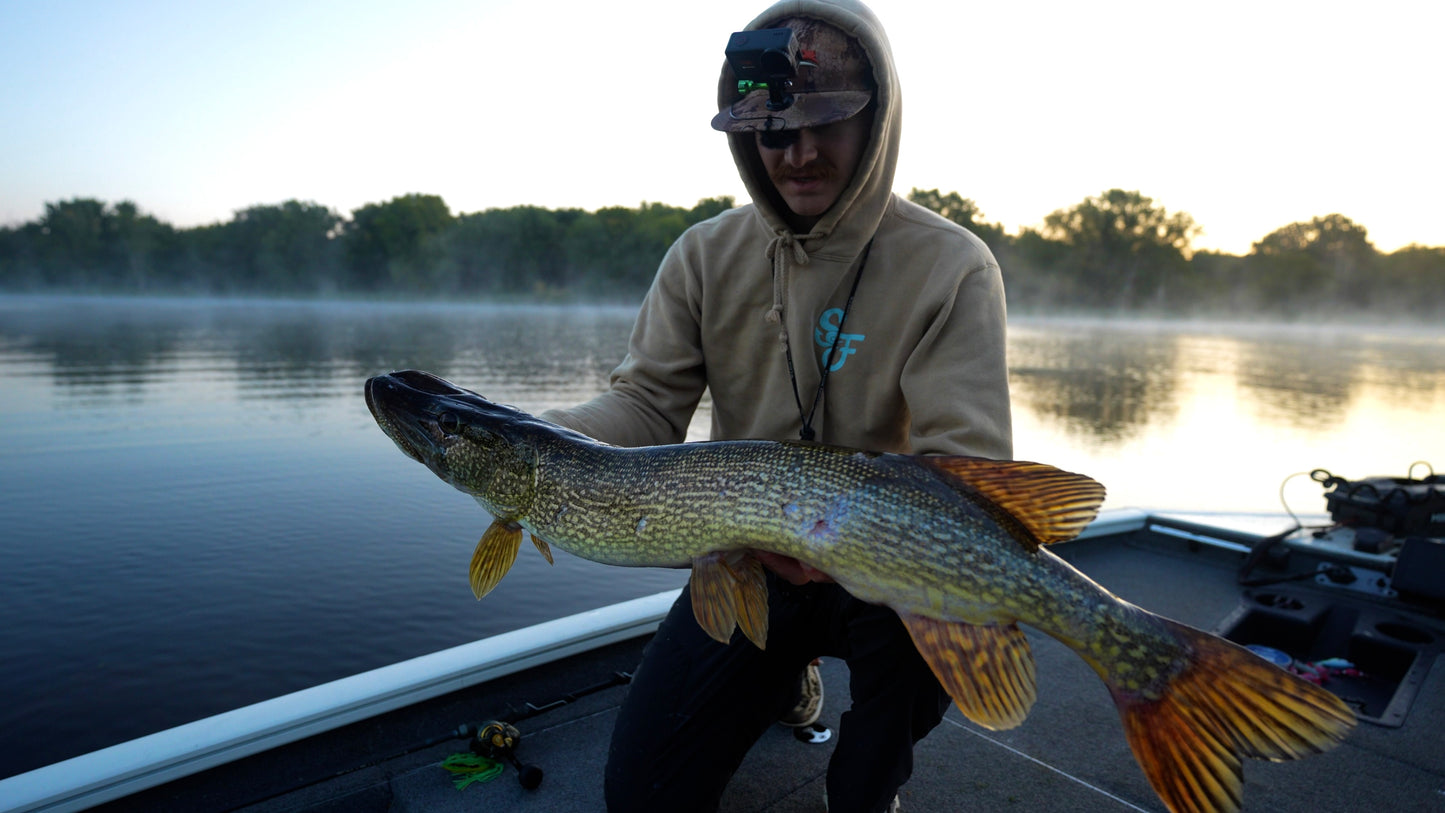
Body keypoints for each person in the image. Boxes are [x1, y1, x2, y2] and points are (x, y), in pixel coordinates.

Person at [540, 1, 1011, 810]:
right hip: (744, 560)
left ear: (879, 116)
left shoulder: (951, 266)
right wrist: (545, 442)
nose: (797, 153)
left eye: (826, 122)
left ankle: (869, 778)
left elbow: (962, 469)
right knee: (642, 794)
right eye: (771, 129)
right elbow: (647, 404)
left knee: (870, 761)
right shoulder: (703, 254)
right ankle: (780, 673)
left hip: (889, 574)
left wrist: (852, 547)